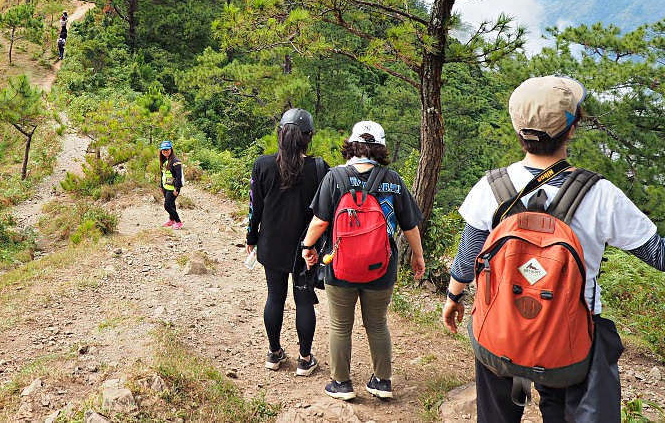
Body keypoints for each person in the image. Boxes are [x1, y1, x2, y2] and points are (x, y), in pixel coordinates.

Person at [442, 76, 665, 423]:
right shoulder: (600, 193)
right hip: (571, 337)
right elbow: (659, 255)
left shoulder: (491, 186)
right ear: (571, 130)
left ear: (518, 129)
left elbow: (469, 257)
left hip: (501, 324)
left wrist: (454, 297)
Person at [300, 120, 426, 401]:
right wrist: (418, 256)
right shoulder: (393, 179)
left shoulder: (336, 177)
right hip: (381, 267)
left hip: (340, 265)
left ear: (352, 144)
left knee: (340, 326)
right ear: (380, 147)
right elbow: (410, 226)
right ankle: (382, 381)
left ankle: (341, 384)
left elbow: (320, 222)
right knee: (378, 323)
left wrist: (307, 246)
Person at [247, 108, 330, 377]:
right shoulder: (319, 169)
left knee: (275, 296)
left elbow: (254, 207)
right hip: (306, 248)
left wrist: (251, 237)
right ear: (309, 137)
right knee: (304, 300)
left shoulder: (263, 164)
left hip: (271, 243)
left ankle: (274, 353)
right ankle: (305, 360)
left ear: (280, 135)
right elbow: (324, 214)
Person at [159, 141, 183, 229]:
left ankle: (178, 222)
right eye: (163, 150)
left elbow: (178, 176)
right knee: (172, 204)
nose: (165, 151)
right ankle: (171, 220)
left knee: (167, 206)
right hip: (166, 186)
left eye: (167, 149)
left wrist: (176, 188)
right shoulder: (165, 160)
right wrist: (161, 186)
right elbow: (162, 174)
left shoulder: (175, 161)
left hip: (173, 187)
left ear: (171, 149)